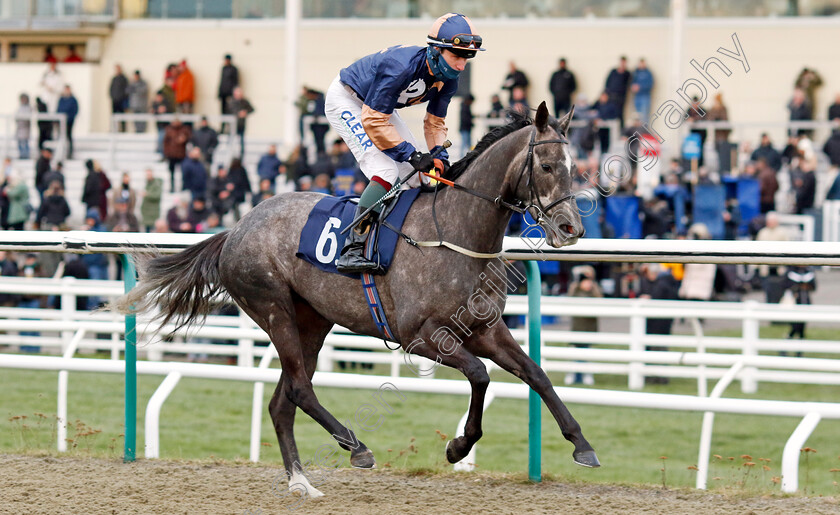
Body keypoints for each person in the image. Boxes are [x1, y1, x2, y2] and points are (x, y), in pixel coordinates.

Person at [324, 12, 483, 274]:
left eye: (467, 58)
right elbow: (373, 121)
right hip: (349, 100)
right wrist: (410, 155)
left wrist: (439, 157)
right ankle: (352, 247)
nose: (461, 65)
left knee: (418, 178)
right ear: (436, 50)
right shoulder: (401, 66)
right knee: (386, 171)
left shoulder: (450, 79)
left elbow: (434, 123)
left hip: (377, 108)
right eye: (456, 56)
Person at [565, 266, 602, 386]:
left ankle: (586, 375)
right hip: (578, 327)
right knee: (576, 352)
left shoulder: (594, 292)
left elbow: (600, 301)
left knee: (587, 351)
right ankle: (574, 375)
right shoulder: (575, 291)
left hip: (589, 327)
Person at [782, 266, 816, 356]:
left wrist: (806, 286)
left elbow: (814, 286)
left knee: (802, 329)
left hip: (805, 302)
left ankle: (799, 351)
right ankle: (785, 347)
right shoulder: (791, 271)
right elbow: (784, 285)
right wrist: (797, 287)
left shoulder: (808, 271)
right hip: (794, 303)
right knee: (795, 327)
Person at [163, 118, 191, 192]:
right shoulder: (169, 130)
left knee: (184, 172)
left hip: (181, 155)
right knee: (172, 173)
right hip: (171, 155)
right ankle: (172, 187)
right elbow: (165, 142)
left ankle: (183, 186)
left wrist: (184, 138)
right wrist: (167, 153)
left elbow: (190, 137)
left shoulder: (184, 130)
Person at [605, 56, 631, 128]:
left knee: (620, 115)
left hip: (621, 97)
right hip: (611, 96)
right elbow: (607, 83)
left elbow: (628, 85)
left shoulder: (627, 74)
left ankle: (621, 131)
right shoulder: (613, 71)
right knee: (609, 113)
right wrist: (606, 93)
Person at [227, 86, 254, 157]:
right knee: (231, 140)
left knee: (241, 141)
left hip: (242, 124)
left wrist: (246, 112)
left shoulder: (244, 102)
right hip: (233, 125)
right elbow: (230, 111)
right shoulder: (231, 102)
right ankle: (229, 152)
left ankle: (242, 154)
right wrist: (238, 114)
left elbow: (252, 109)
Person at [56, 85, 78, 159]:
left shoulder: (73, 100)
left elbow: (75, 110)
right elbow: (58, 109)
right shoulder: (61, 99)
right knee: (61, 136)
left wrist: (69, 117)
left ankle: (70, 153)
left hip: (69, 121)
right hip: (61, 122)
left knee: (69, 136)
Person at [630, 58, 653, 123]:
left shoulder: (648, 73)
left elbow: (650, 85)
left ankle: (644, 131)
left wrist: (640, 87)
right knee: (637, 116)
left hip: (645, 96)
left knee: (644, 115)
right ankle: (638, 130)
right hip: (637, 96)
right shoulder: (636, 72)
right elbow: (632, 82)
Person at [218, 54, 239, 123]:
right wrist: (219, 93)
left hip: (230, 93)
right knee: (223, 111)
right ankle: (223, 126)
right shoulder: (224, 68)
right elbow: (221, 81)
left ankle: (229, 127)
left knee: (229, 110)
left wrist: (234, 94)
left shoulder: (233, 69)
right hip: (223, 93)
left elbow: (235, 81)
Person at [110, 64, 129, 132]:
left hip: (121, 100)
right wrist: (112, 96)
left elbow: (126, 90)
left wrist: (123, 98)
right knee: (114, 116)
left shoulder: (124, 79)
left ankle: (123, 130)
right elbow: (111, 88)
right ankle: (114, 130)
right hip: (115, 100)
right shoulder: (114, 78)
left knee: (122, 116)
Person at [15, 93, 32, 160]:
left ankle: (26, 155)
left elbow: (27, 118)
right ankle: (21, 155)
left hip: (25, 128)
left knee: (25, 143)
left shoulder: (28, 108)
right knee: (20, 143)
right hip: (19, 128)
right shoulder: (20, 107)